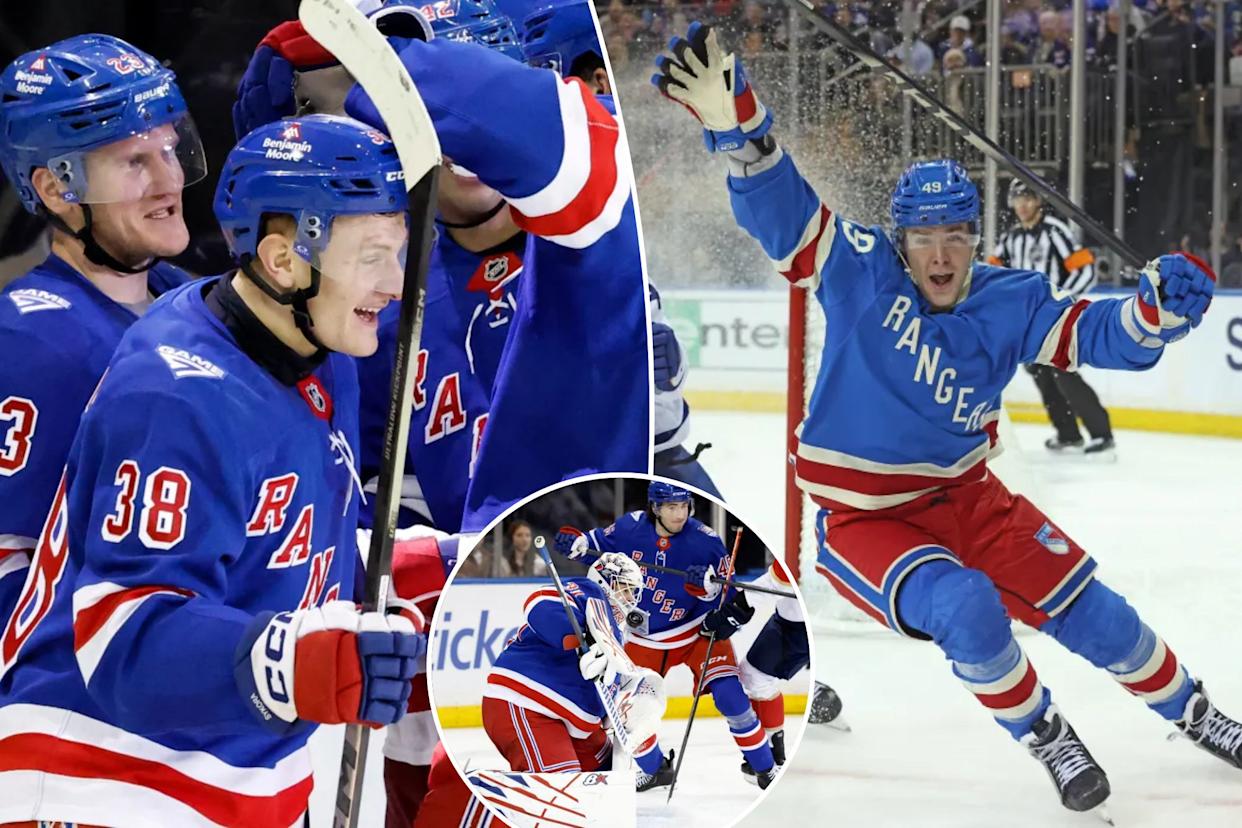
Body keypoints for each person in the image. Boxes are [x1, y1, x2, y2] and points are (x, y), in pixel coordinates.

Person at [652, 21, 1236, 817]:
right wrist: (743, 134)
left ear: (974, 237)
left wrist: (1154, 314)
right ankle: (1047, 734)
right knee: (967, 607)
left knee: (1097, 612)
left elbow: (1098, 335)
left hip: (972, 500)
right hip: (868, 524)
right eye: (923, 236)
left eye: (955, 235)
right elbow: (783, 211)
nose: (939, 253)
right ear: (901, 238)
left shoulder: (1008, 298)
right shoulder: (859, 268)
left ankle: (1195, 713)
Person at [0, 114, 424, 827]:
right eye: (374, 255)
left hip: (237, 778)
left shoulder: (321, 351)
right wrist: (293, 663)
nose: (395, 283)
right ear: (283, 262)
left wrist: (424, 570)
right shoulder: (175, 395)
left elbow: (281, 548)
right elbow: (122, 634)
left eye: (400, 250)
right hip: (101, 780)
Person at [232, 0, 648, 536]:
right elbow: (371, 490)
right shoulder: (381, 289)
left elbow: (569, 150)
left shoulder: (598, 217)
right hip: (492, 572)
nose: (469, 147)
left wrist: (367, 61)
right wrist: (430, 558)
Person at [0, 35, 202, 620]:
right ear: (55, 188)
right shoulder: (31, 343)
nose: (168, 181)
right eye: (135, 161)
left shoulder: (188, 298)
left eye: (170, 150)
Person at [557, 481, 778, 789]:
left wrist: (708, 590)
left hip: (697, 632)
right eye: (672, 507)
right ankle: (656, 769)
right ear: (655, 508)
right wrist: (575, 542)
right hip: (643, 638)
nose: (680, 514)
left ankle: (765, 768)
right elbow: (593, 548)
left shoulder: (706, 541)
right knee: (628, 709)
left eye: (684, 506)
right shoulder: (630, 527)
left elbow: (731, 598)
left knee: (730, 696)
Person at [481, 552, 660, 775]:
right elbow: (539, 604)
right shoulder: (589, 592)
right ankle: (479, 786)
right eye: (624, 589)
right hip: (527, 703)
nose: (630, 599)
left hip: (574, 722)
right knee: (564, 786)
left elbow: (611, 702)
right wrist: (580, 637)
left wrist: (655, 766)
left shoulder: (615, 634)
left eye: (633, 592)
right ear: (605, 581)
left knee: (609, 775)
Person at [990, 178, 1116, 456]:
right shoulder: (1011, 238)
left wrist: (1061, 300)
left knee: (1064, 374)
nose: (1022, 205)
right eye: (1017, 199)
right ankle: (1068, 434)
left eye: (1028, 198)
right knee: (1041, 376)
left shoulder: (1055, 231)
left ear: (1039, 201)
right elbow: (992, 273)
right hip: (1027, 323)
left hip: (1055, 319)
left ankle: (1101, 433)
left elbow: (1086, 270)